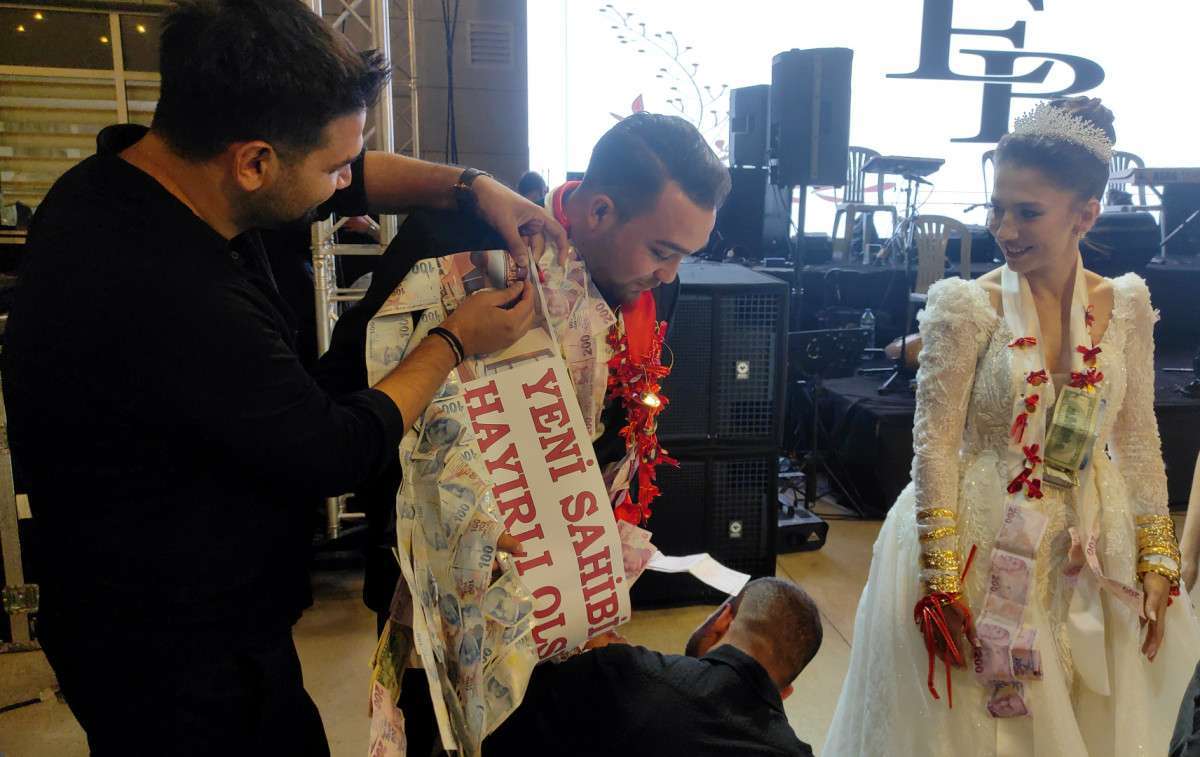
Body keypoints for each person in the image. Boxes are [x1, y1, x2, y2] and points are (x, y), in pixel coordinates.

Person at [1, 0, 567, 754]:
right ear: (254, 162)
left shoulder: (134, 178)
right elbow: (333, 449)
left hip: (165, 611)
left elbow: (358, 180)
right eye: (332, 167)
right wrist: (453, 341)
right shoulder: (170, 289)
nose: (345, 183)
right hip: (171, 650)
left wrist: (471, 187)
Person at [329, 112, 729, 753]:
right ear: (599, 211)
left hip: (568, 591)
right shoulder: (463, 241)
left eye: (686, 255)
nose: (670, 273)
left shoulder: (654, 292)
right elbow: (354, 403)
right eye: (662, 251)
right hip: (449, 577)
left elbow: (620, 426)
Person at [824, 97, 1200, 756]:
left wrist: (1158, 557)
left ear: (1086, 214)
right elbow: (933, 446)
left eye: (1028, 212)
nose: (1005, 228)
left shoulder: (1127, 305)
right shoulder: (965, 305)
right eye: (996, 208)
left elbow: (1138, 438)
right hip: (978, 541)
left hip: (1093, 541)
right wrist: (942, 576)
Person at [482, 577, 820, 756]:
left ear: (722, 620)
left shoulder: (623, 676)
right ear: (785, 693)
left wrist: (590, 665)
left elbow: (492, 728)